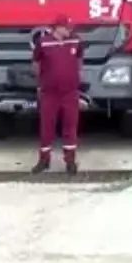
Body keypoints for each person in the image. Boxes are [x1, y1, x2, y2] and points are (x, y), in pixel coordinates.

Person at [31, 15, 83, 176]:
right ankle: (44, 160)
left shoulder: (76, 42)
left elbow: (79, 61)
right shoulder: (43, 42)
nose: (70, 30)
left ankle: (70, 161)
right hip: (50, 93)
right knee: (47, 127)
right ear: (57, 28)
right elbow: (35, 64)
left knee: (70, 126)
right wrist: (41, 82)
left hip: (70, 92)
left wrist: (74, 77)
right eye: (67, 27)